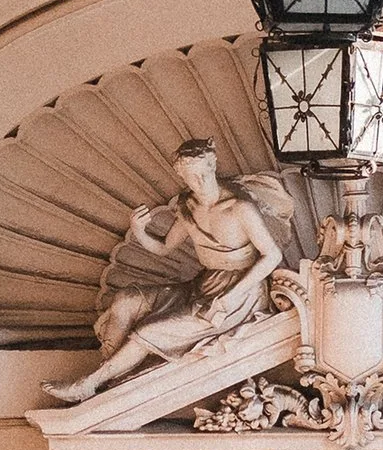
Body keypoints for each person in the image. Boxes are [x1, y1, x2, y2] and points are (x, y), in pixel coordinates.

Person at [48, 140, 287, 401]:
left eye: (204, 174)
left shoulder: (240, 209)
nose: (200, 182)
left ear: (213, 166)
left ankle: (89, 384)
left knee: (148, 331)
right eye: (192, 178)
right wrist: (139, 230)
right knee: (126, 299)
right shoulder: (189, 207)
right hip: (205, 285)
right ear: (181, 177)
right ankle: (109, 376)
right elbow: (163, 248)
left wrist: (231, 296)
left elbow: (272, 255)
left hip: (242, 295)